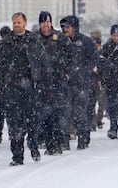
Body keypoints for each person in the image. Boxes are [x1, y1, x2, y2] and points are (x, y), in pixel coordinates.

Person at [0, 12, 46, 166]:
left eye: (19, 22)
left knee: (33, 120)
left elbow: (42, 62)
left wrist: (42, 81)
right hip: (13, 88)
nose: (16, 25)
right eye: (14, 22)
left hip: (31, 87)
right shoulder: (6, 42)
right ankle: (17, 156)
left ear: (25, 23)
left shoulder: (34, 40)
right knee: (14, 123)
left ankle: (33, 145)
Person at [60, 15, 99, 150]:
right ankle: (65, 140)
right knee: (65, 112)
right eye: (63, 27)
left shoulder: (85, 41)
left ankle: (83, 138)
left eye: (68, 27)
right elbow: (59, 59)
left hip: (82, 83)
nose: (65, 30)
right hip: (66, 83)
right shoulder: (62, 41)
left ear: (74, 27)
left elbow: (94, 59)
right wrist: (64, 72)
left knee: (80, 113)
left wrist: (83, 72)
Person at [36, 11, 70, 155]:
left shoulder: (60, 38)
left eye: (48, 21)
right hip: (42, 82)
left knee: (58, 113)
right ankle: (48, 142)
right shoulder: (34, 39)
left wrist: (65, 70)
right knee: (44, 115)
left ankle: (58, 142)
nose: (46, 25)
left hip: (57, 80)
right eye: (43, 22)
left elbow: (69, 55)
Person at [101, 24, 118, 140]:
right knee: (113, 105)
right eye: (114, 35)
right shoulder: (106, 47)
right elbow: (102, 61)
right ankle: (114, 128)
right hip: (111, 80)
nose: (116, 37)